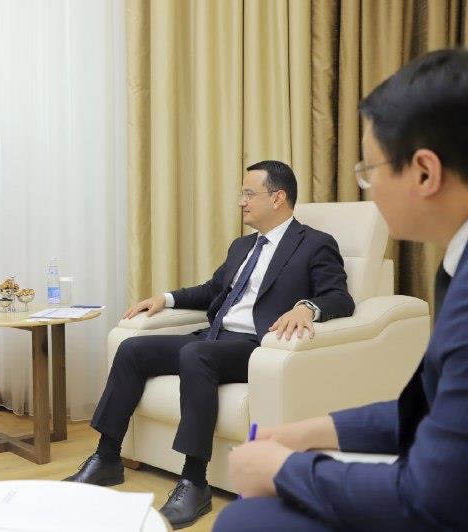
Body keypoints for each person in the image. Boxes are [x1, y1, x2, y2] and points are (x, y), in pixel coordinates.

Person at [216, 48, 468, 532]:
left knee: (244, 521)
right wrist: (310, 431)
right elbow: (431, 411)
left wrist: (285, 470)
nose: (366, 187)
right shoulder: (456, 262)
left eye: (369, 170)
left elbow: (432, 499)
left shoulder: (315, 244)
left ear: (424, 172)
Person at [65, 160, 355, 529]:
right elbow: (212, 291)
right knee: (133, 349)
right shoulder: (242, 246)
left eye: (249, 194)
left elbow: (339, 297)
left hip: (256, 346)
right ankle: (107, 458)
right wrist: (166, 299)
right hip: (213, 338)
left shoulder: (314, 243)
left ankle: (194, 482)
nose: (242, 202)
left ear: (278, 198)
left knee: (195, 354)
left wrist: (306, 307)